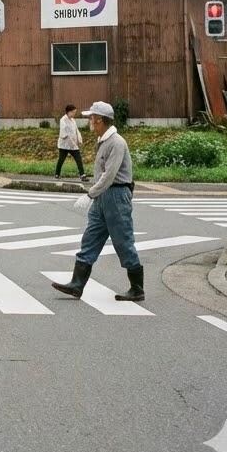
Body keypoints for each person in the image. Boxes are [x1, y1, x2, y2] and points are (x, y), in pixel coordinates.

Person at [51, 100, 145, 303]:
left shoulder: (116, 142)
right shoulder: (104, 140)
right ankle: (77, 284)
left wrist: (90, 194)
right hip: (103, 197)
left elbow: (109, 175)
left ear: (101, 120)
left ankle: (137, 288)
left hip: (116, 196)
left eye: (92, 118)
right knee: (91, 237)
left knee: (123, 242)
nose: (90, 121)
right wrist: (96, 195)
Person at [55, 103, 89, 181]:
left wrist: (79, 139)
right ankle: (57, 173)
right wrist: (73, 142)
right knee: (61, 159)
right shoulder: (63, 120)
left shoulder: (73, 120)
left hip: (73, 145)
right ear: (68, 112)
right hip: (64, 145)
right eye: (73, 112)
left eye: (75, 112)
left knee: (78, 159)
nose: (74, 114)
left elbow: (76, 131)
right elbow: (65, 133)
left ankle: (82, 175)